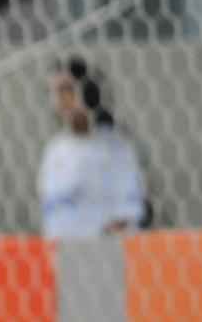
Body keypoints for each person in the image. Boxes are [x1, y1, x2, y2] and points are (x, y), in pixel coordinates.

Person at [38, 56, 147, 239]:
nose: (58, 100)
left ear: (88, 92)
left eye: (66, 91)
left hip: (103, 249)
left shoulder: (115, 148)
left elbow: (129, 214)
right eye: (53, 92)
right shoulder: (54, 150)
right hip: (61, 249)